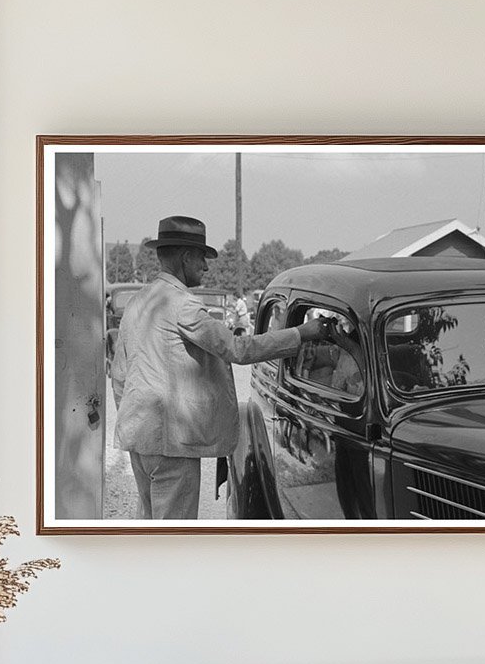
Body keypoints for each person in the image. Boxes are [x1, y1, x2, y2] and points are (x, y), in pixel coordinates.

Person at [110, 215, 331, 519]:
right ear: (186, 257)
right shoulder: (183, 305)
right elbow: (238, 349)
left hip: (140, 437)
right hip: (173, 445)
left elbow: (120, 375)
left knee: (149, 527)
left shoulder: (138, 302)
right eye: (202, 257)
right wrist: (302, 334)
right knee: (174, 538)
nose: (206, 266)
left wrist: (137, 421)